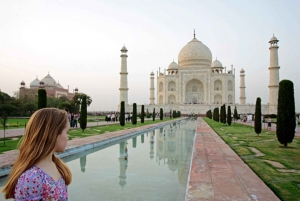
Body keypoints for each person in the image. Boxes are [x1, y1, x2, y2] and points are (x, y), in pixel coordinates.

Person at [2, 108, 72, 200]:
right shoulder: (32, 178)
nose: (68, 137)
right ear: (54, 134)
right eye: (66, 132)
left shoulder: (58, 166)